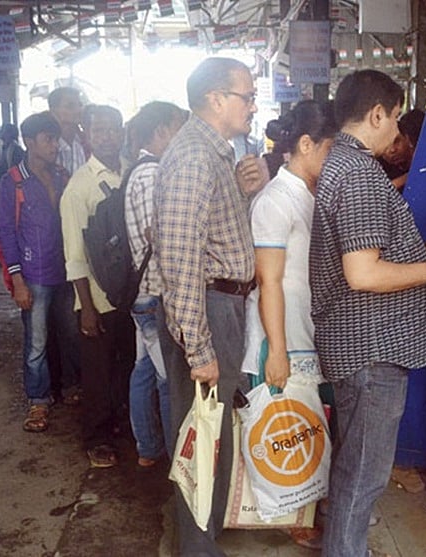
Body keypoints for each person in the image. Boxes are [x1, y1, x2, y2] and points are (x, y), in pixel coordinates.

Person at [309, 70, 426, 557]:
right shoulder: (360, 174)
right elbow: (363, 274)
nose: (397, 130)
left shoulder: (343, 162)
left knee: (355, 473)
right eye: (396, 116)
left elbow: (379, 257)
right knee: (361, 482)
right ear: (376, 114)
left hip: (362, 347)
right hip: (371, 353)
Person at [154, 57, 265, 555]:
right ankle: (197, 548)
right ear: (217, 98)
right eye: (247, 95)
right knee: (200, 435)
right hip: (207, 308)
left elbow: (215, 237)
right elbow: (179, 261)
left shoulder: (216, 154)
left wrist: (243, 194)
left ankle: (206, 539)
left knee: (215, 430)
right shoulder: (194, 157)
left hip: (224, 305)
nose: (253, 105)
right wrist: (198, 348)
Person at [241, 100, 337, 550]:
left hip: (304, 331)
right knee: (284, 425)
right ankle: (288, 514)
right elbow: (270, 281)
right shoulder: (274, 201)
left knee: (305, 422)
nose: (332, 159)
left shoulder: (306, 193)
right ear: (305, 145)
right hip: (281, 336)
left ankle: (303, 506)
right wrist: (276, 351)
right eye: (329, 149)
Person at [60, 104, 135, 468]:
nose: (107, 136)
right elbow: (74, 255)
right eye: (99, 130)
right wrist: (86, 307)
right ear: (86, 136)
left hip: (131, 294)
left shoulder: (131, 173)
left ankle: (121, 423)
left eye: (113, 128)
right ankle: (96, 437)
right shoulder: (79, 188)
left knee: (128, 366)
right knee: (98, 372)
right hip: (98, 298)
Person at [0, 112, 77, 432]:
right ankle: (38, 401)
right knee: (37, 342)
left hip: (66, 273)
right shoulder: (13, 181)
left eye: (56, 139)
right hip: (34, 274)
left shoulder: (61, 176)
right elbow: (6, 232)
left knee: (70, 336)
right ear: (30, 143)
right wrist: (17, 280)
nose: (55, 145)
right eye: (48, 139)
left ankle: (71, 388)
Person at [123, 101, 188, 468]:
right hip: (156, 293)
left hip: (146, 292)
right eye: (178, 127)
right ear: (162, 131)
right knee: (169, 380)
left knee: (145, 370)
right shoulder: (151, 175)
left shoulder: (145, 170)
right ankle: (175, 455)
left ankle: (148, 449)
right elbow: (160, 238)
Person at [378, 108, 425, 190]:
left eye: (396, 141)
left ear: (408, 139)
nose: (391, 150)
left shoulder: (425, 161)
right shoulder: (379, 169)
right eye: (385, 146)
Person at [48, 87, 88, 176]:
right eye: (70, 106)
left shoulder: (86, 143)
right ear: (53, 111)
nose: (78, 110)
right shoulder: (47, 147)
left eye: (80, 105)